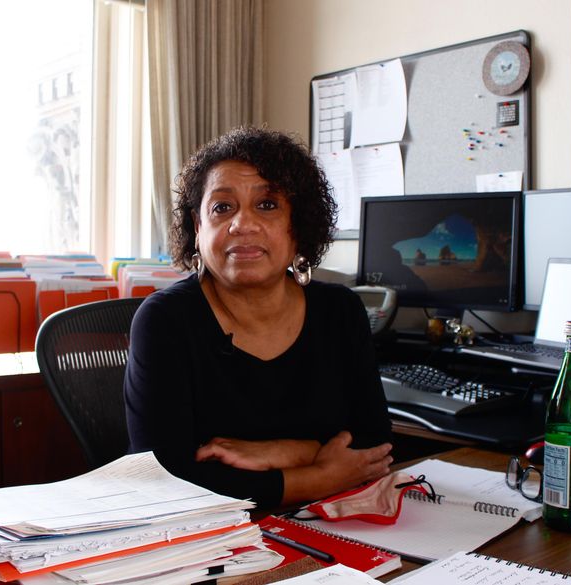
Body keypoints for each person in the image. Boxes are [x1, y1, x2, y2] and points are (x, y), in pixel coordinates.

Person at [124, 126, 393, 509]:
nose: (242, 224)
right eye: (222, 207)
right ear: (198, 229)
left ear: (297, 226)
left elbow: (374, 448)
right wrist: (317, 476)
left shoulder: (341, 311)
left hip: (334, 526)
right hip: (206, 542)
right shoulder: (166, 320)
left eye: (267, 205)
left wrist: (284, 452)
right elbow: (167, 475)